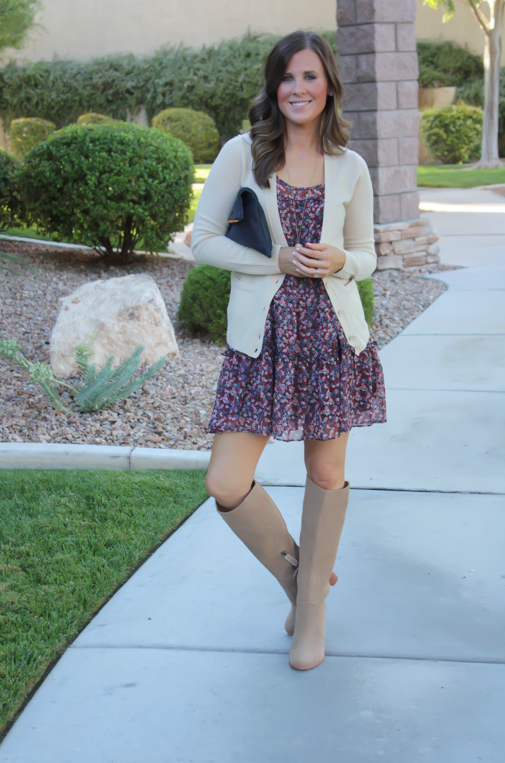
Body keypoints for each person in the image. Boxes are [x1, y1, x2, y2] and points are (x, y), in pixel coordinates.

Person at [191, 30, 386, 670]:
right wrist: (274, 258)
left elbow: (368, 255)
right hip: (262, 338)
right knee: (226, 480)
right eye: (287, 78)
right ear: (273, 87)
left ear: (328, 84)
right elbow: (205, 239)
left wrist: (341, 262)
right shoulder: (242, 154)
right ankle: (302, 584)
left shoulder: (350, 165)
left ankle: (311, 618)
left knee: (326, 475)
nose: (298, 89)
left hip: (329, 337)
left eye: (309, 76)